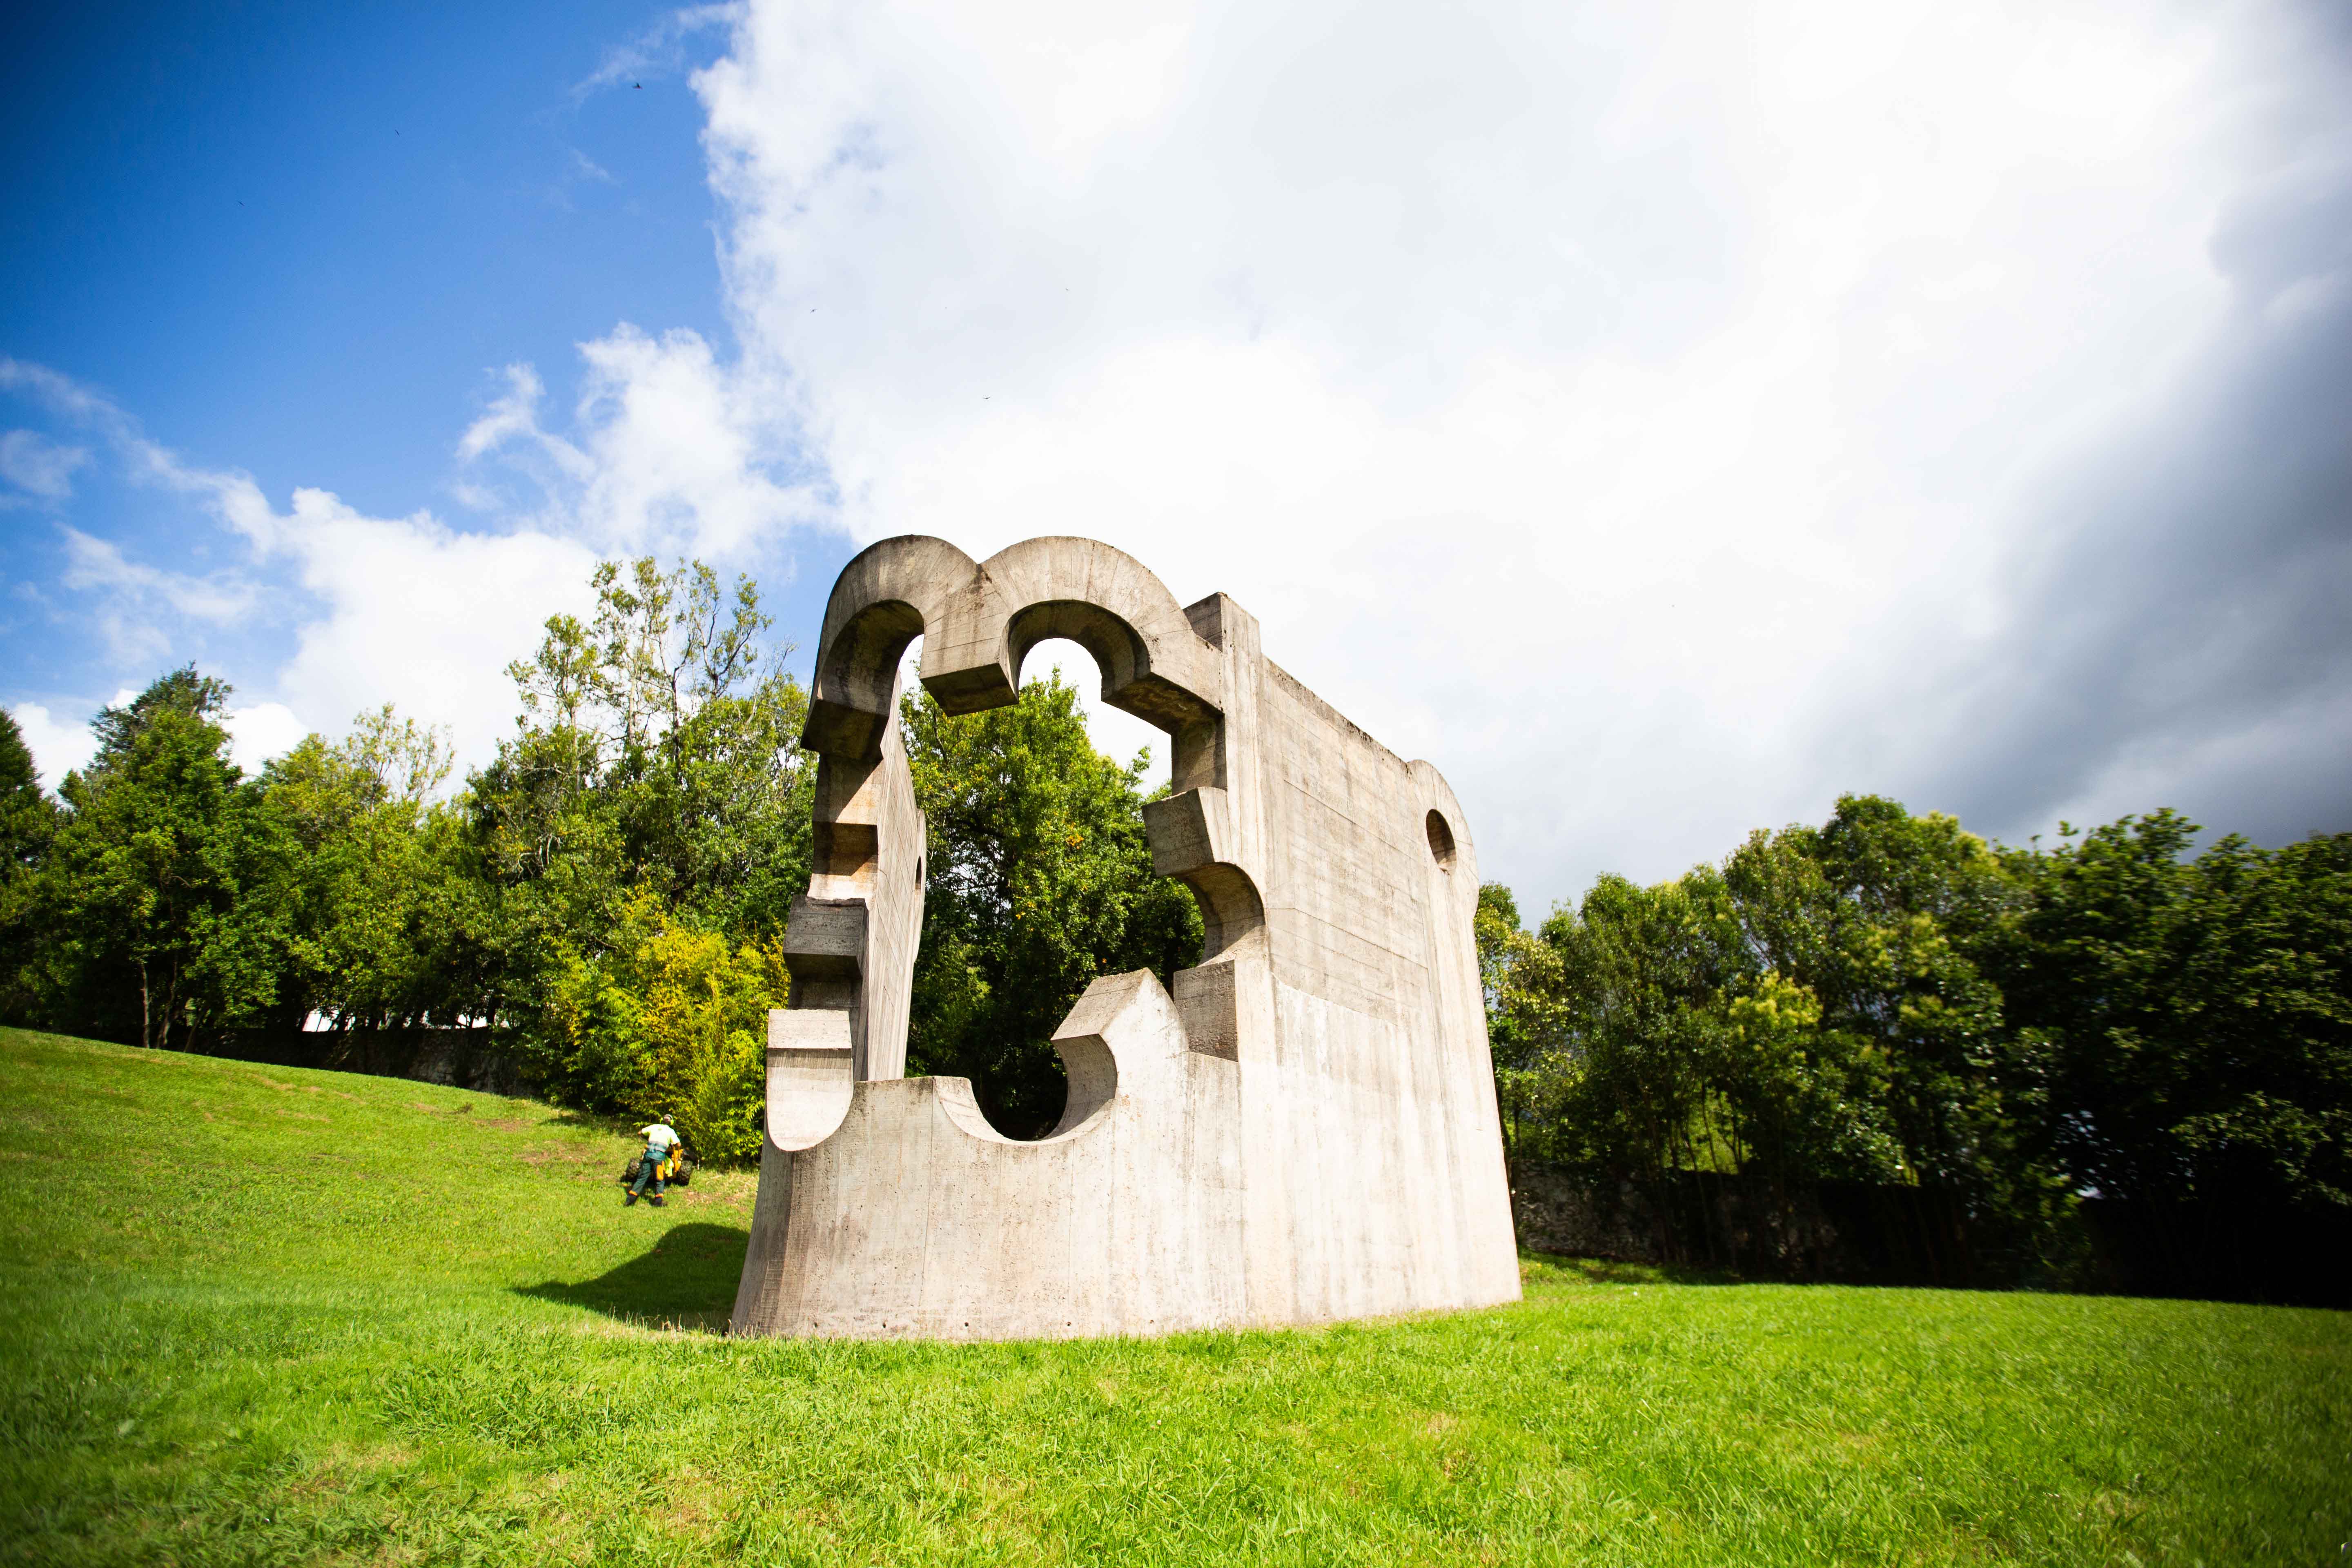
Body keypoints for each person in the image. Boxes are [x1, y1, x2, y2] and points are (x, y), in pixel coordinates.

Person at [627, 1120, 683, 1207]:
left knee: (642, 1178)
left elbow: (640, 1133)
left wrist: (648, 1140)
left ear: (661, 1120)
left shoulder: (654, 1126)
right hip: (659, 1158)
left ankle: (630, 1200)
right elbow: (679, 1144)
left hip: (648, 1155)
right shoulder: (670, 1131)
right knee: (660, 1179)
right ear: (671, 1123)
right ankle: (658, 1202)